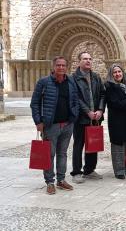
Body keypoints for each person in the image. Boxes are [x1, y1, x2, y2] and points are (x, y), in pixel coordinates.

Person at [30, 56, 79, 195]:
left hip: (67, 125)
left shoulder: (70, 81)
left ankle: (61, 180)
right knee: (49, 154)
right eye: (58, 65)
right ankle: (50, 182)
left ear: (67, 67)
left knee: (62, 153)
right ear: (53, 67)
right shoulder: (44, 82)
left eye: (63, 65)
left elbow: (75, 99)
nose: (61, 68)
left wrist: (74, 115)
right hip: (51, 126)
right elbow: (35, 103)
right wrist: (38, 121)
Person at [71, 52, 105, 183]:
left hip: (95, 117)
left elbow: (102, 94)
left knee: (93, 144)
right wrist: (87, 112)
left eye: (90, 59)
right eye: (85, 59)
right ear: (79, 61)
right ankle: (76, 172)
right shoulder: (73, 78)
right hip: (81, 118)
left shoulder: (96, 77)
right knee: (79, 144)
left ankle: (89, 170)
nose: (88, 61)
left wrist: (100, 110)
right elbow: (75, 97)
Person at [105, 63, 126, 180]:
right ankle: (119, 171)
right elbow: (114, 103)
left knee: (125, 143)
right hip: (116, 121)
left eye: (119, 71)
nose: (117, 74)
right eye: (115, 72)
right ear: (111, 74)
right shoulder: (109, 87)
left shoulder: (125, 85)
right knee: (117, 145)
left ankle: (125, 167)